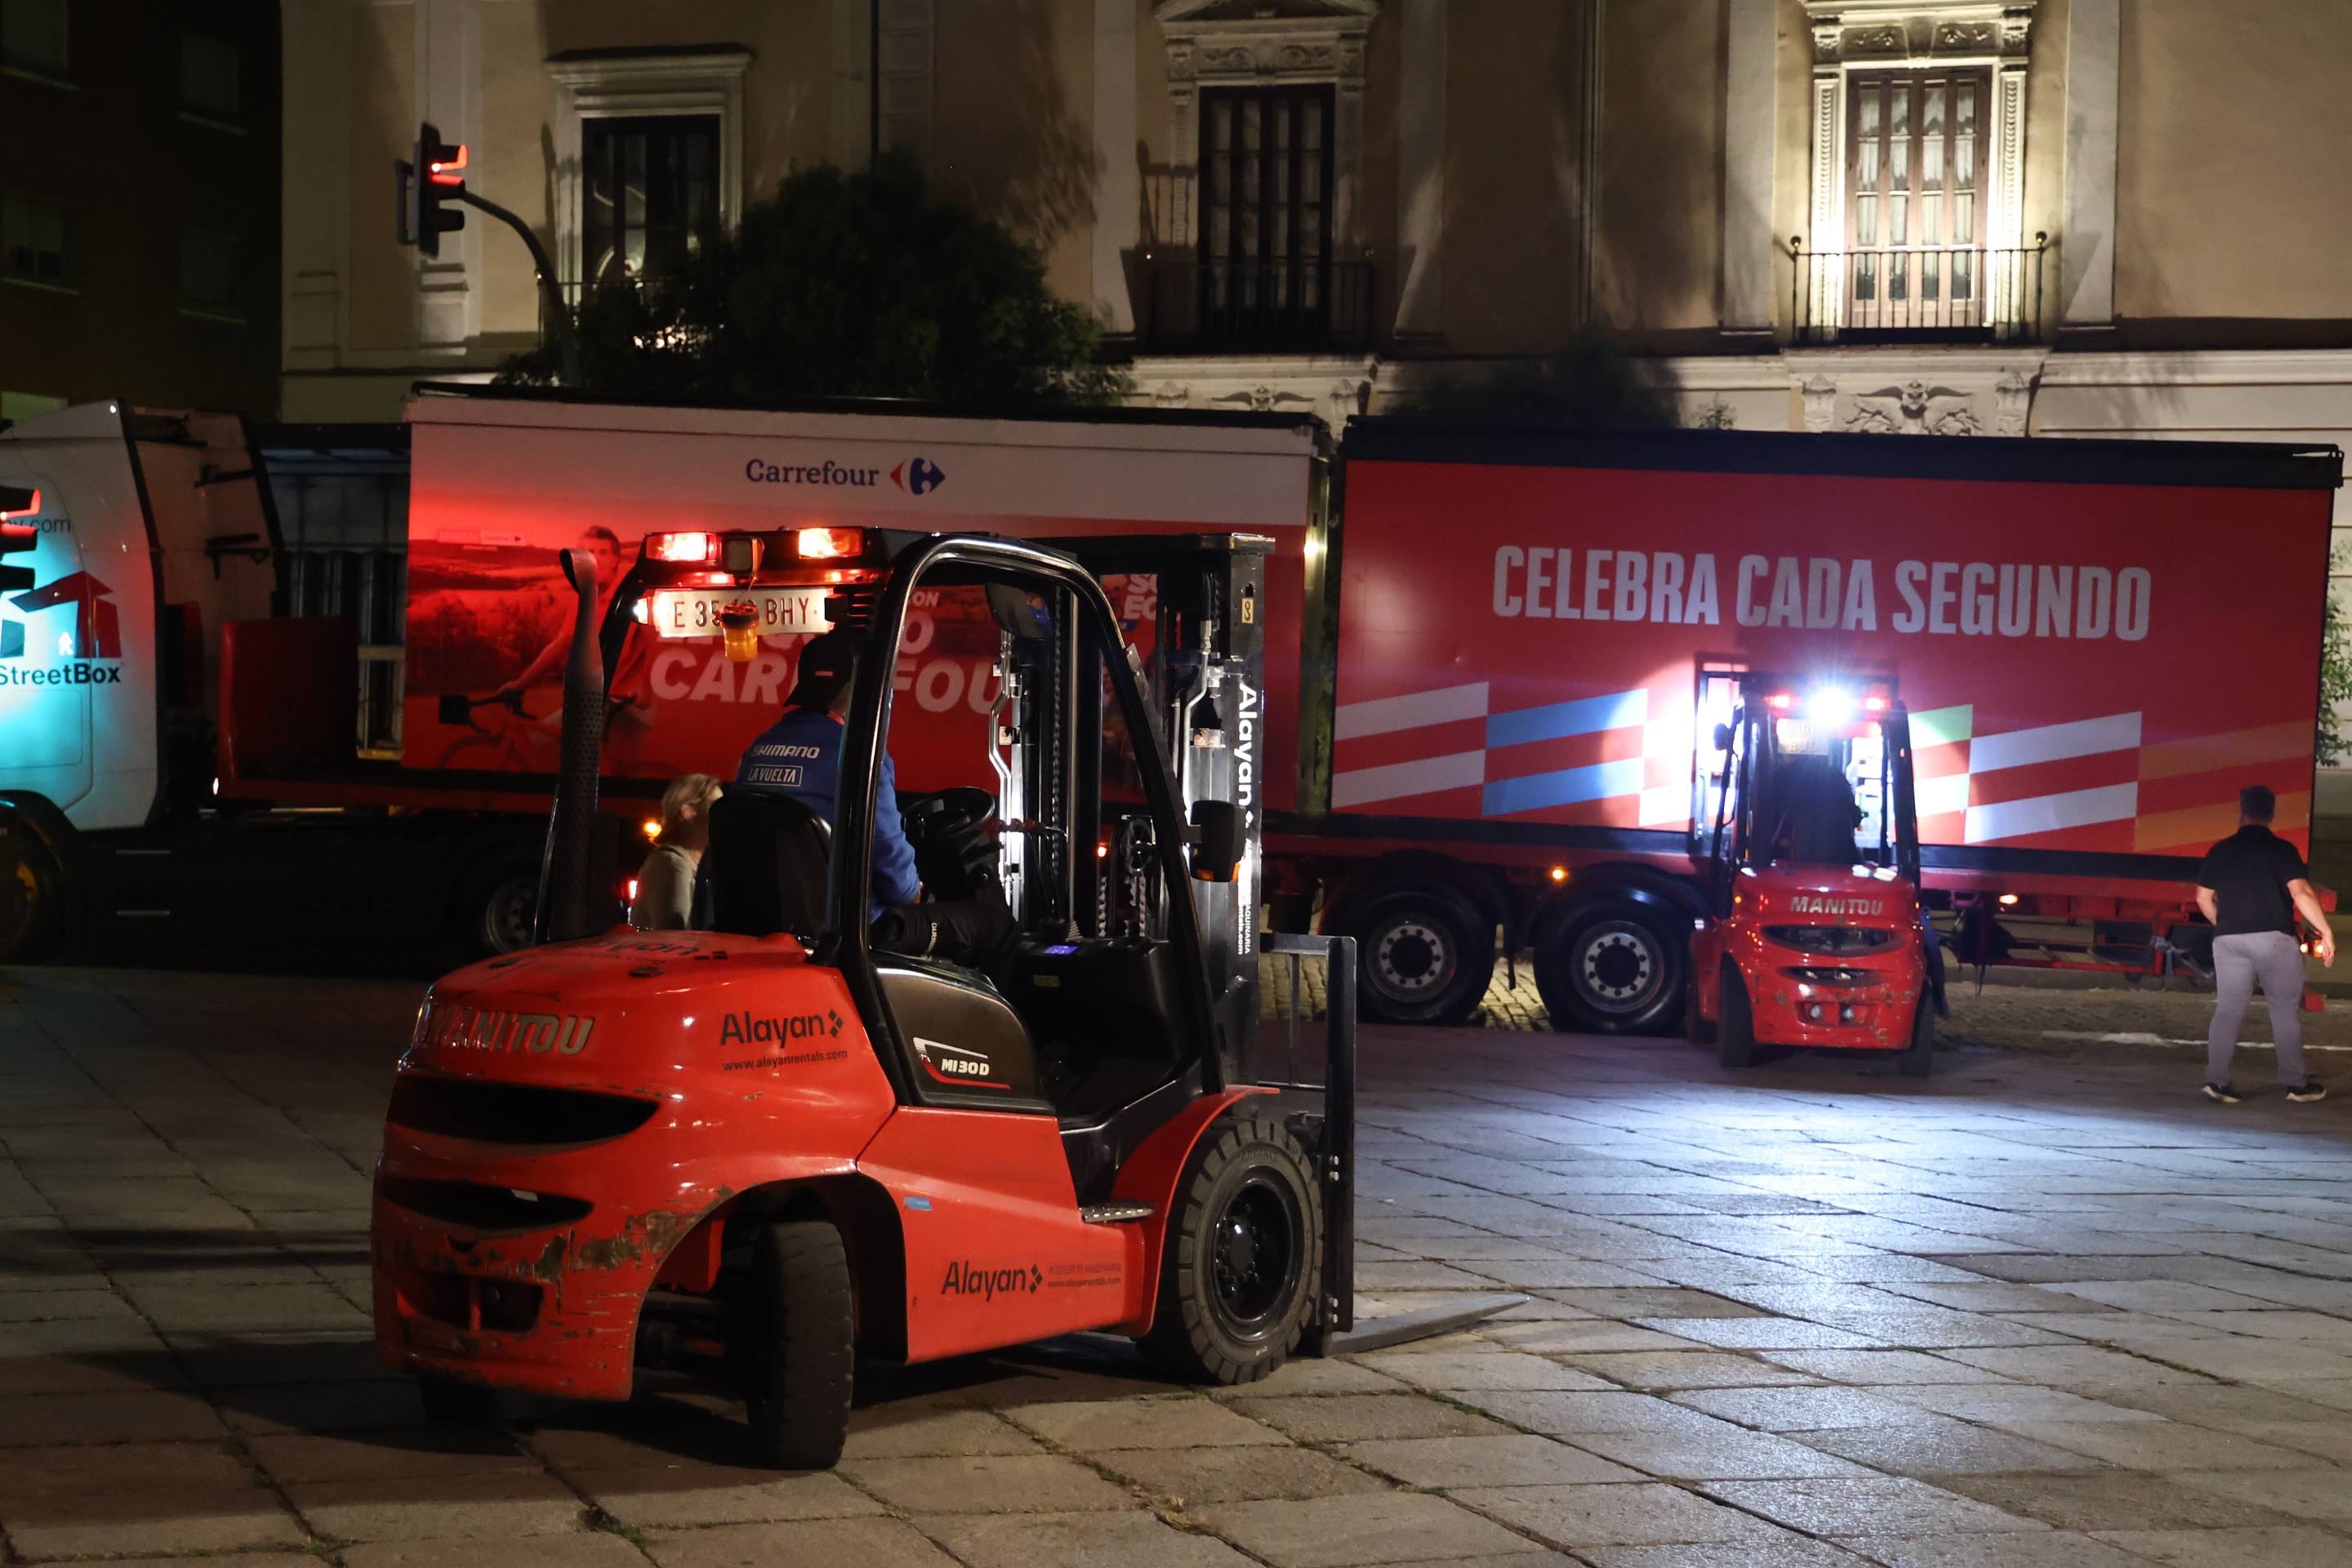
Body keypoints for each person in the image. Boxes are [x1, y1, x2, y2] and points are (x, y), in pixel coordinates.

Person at [733, 629, 1016, 969]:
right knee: (994, 925)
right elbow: (896, 876)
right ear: (858, 690)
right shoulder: (859, 755)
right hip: (854, 929)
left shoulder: (759, 748)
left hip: (774, 924)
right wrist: (916, 891)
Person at [2196, 784, 2333, 1104]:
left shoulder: (2221, 849)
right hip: (2275, 940)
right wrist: (2325, 931)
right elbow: (2301, 893)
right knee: (2284, 1012)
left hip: (2228, 940)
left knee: (2227, 1011)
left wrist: (2227, 924)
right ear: (2271, 814)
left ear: (2240, 811)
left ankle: (2216, 1081)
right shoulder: (2282, 849)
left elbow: (2203, 897)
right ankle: (2296, 1085)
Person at [630, 774, 720, 929]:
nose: (722, 815)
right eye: (715, 807)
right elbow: (676, 934)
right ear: (688, 811)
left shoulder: (694, 864)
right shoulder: (672, 864)